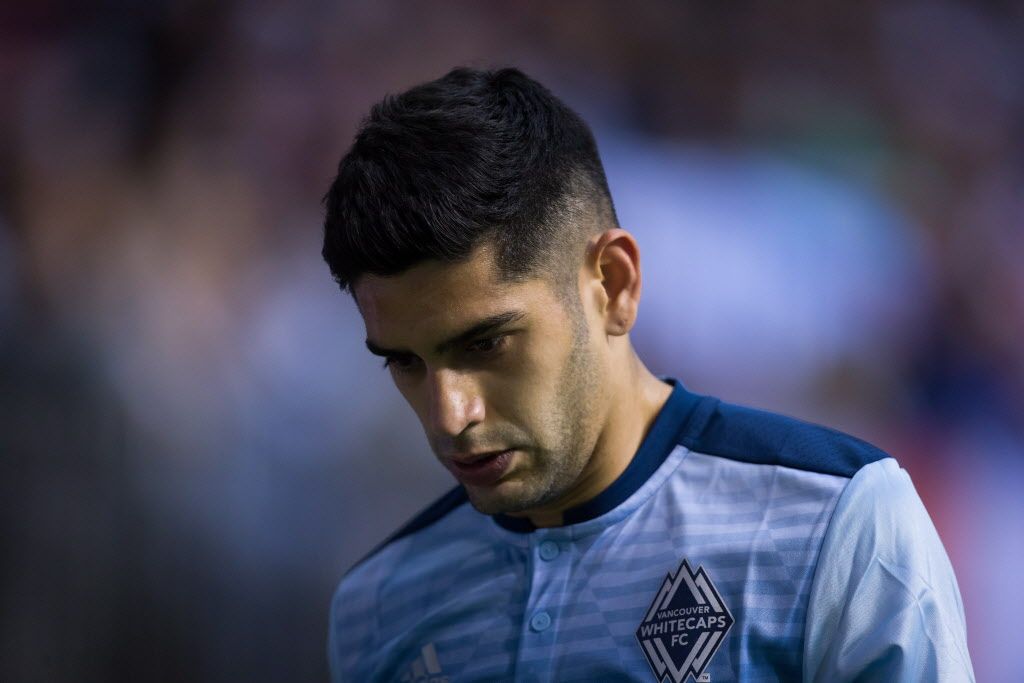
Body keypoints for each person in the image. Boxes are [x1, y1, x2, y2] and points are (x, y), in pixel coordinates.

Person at [321, 67, 974, 682]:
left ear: (613, 282)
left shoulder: (841, 522)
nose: (448, 414)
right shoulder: (379, 603)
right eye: (405, 360)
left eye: (488, 342)